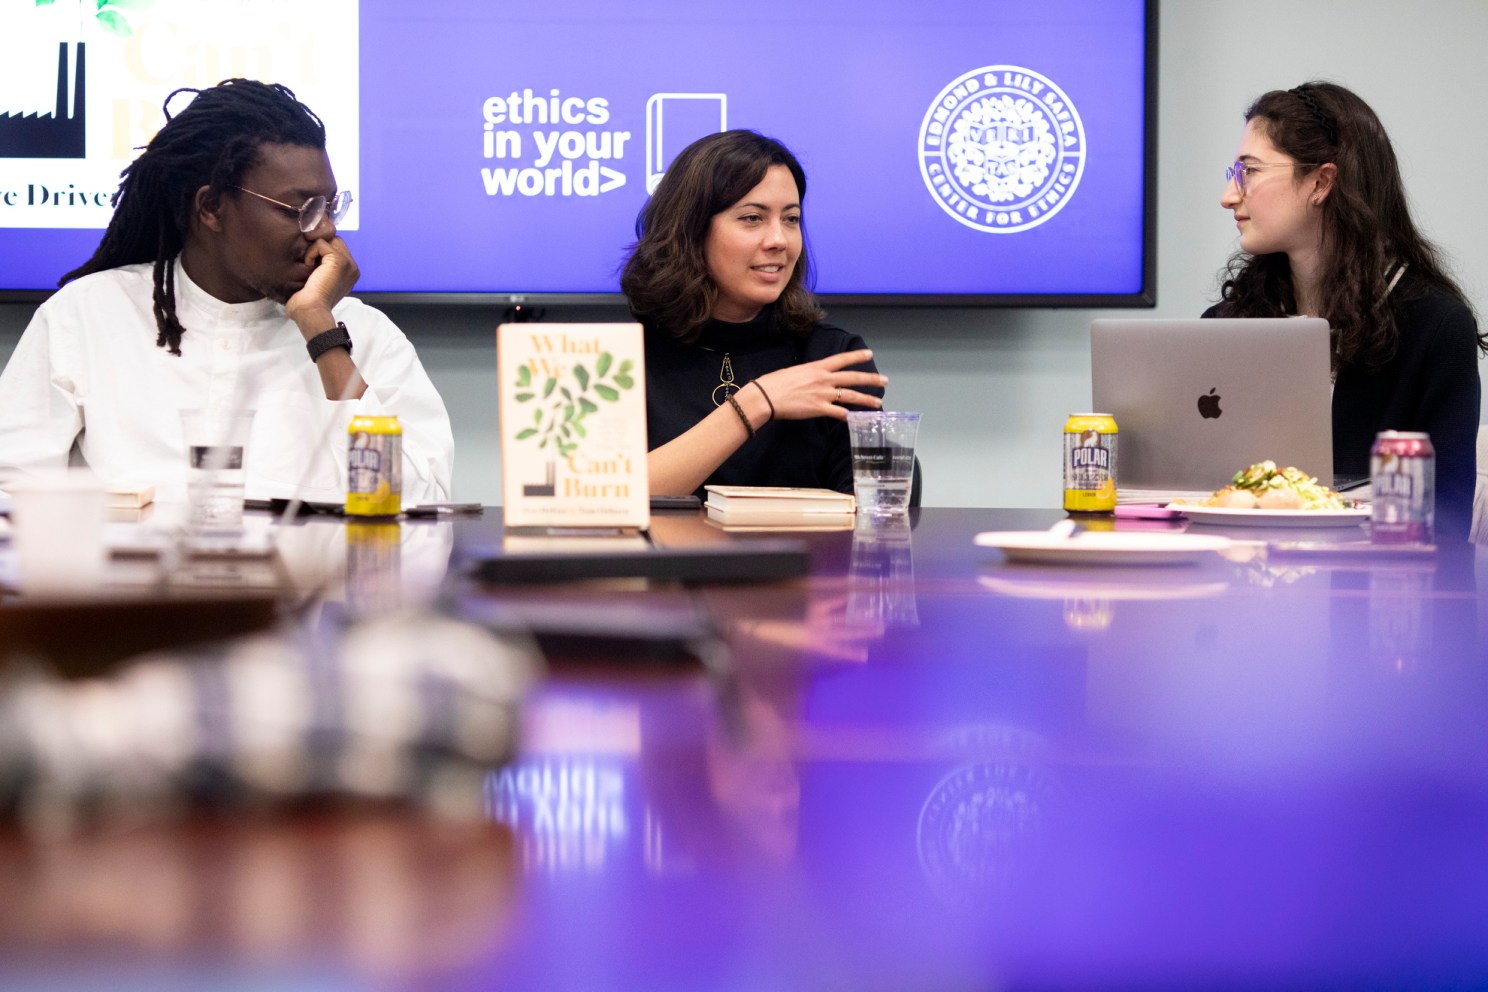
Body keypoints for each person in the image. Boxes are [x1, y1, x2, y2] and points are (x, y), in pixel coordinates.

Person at [0, 79, 454, 504]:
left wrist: (321, 331)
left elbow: (420, 505)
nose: (326, 232)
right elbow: (11, 491)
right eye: (302, 209)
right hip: (120, 587)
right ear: (212, 207)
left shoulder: (368, 335)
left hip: (308, 588)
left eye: (330, 208)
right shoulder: (86, 316)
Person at [1208, 81, 1484, 535]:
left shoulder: (1436, 327)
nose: (1229, 196)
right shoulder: (1223, 326)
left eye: (1249, 172)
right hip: (1243, 588)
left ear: (1320, 182)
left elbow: (1447, 529)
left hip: (1376, 595)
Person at [621, 129, 887, 497]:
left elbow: (870, 513)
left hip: (799, 557)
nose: (779, 240)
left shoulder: (832, 360)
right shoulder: (620, 360)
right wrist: (756, 402)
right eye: (752, 218)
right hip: (664, 556)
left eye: (791, 219)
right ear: (690, 231)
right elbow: (604, 500)